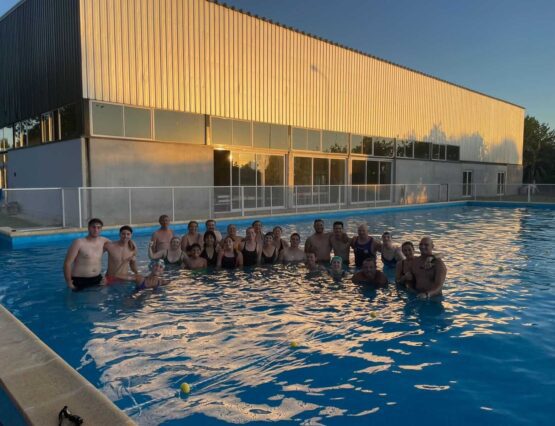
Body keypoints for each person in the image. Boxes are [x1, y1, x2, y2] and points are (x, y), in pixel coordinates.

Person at [64, 218, 109, 291]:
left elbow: (117, 247)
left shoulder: (103, 240)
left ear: (101, 229)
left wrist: (130, 243)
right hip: (80, 280)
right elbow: (67, 263)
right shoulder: (79, 242)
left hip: (98, 279)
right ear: (88, 228)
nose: (96, 230)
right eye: (93, 227)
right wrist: (68, 281)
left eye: (98, 228)